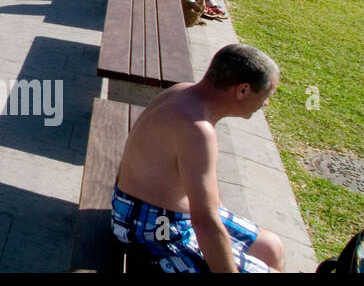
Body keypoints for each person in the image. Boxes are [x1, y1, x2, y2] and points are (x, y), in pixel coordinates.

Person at [113, 44, 285, 272]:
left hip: (152, 209)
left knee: (272, 248)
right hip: (153, 226)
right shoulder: (197, 130)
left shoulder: (182, 91)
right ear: (243, 90)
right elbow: (205, 223)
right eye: (266, 95)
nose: (266, 103)